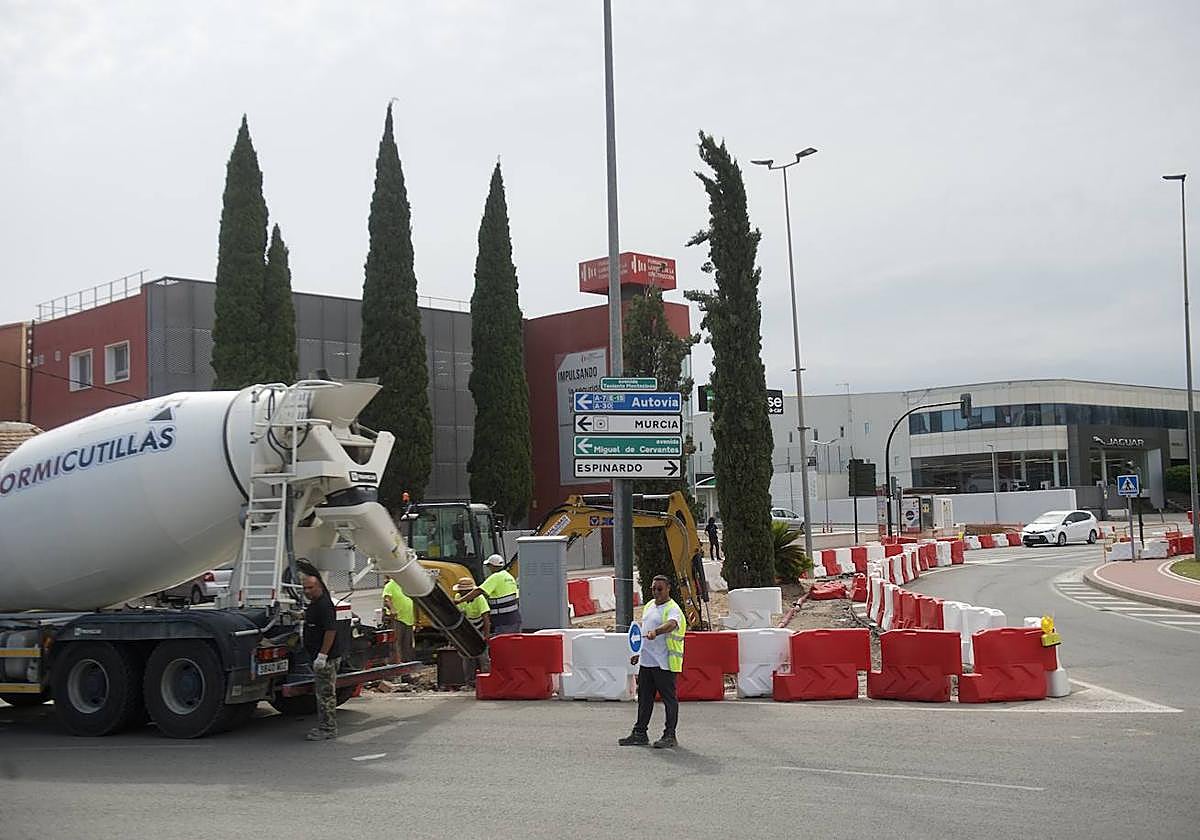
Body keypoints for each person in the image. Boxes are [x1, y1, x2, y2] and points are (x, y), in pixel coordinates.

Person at [619, 575, 686, 749]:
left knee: (669, 700)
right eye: (653, 588)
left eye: (660, 589)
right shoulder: (649, 606)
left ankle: (670, 735)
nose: (656, 592)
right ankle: (640, 733)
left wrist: (657, 631)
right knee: (644, 699)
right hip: (647, 663)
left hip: (664, 663)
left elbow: (671, 625)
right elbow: (642, 632)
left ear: (668, 588)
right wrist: (637, 652)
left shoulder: (673, 608)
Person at [302, 571, 345, 741]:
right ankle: (326, 726)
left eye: (310, 588)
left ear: (319, 587)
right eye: (304, 588)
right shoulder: (314, 604)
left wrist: (322, 655)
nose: (307, 591)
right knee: (323, 693)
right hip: (321, 655)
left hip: (327, 658)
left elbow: (330, 630)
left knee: (325, 694)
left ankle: (328, 729)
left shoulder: (324, 605)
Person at [456, 554, 520, 634]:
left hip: (502, 620)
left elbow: (478, 591)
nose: (488, 568)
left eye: (488, 566)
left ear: (492, 566)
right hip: (514, 618)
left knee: (501, 644)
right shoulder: (509, 577)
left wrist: (459, 601)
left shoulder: (495, 577)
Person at [453, 576, 491, 686]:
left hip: (479, 628)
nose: (460, 593)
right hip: (467, 629)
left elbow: (486, 618)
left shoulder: (479, 599)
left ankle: (486, 680)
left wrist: (486, 635)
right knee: (466, 656)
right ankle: (469, 681)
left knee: (483, 656)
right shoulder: (458, 597)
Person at [381, 573, 415, 664]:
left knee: (407, 646)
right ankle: (395, 669)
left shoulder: (406, 585)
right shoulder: (390, 585)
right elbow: (386, 600)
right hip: (397, 619)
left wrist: (417, 619)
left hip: (408, 619)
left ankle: (406, 671)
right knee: (396, 645)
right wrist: (392, 609)